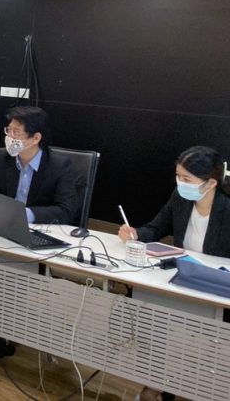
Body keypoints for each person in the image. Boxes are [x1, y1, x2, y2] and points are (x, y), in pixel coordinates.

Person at [0, 105, 79, 363]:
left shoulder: (59, 165)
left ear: (36, 138)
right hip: (2, 230)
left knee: (0, 271)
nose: (10, 137)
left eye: (16, 132)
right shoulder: (1, 157)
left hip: (38, 238)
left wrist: (26, 214)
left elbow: (66, 210)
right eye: (8, 130)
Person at [116, 146, 229, 401]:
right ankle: (158, 381)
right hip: (183, 278)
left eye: (187, 178)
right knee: (153, 315)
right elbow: (156, 228)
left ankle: (184, 384)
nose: (180, 183)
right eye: (178, 176)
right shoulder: (180, 198)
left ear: (211, 182)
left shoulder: (227, 209)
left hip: (216, 288)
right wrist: (136, 235)